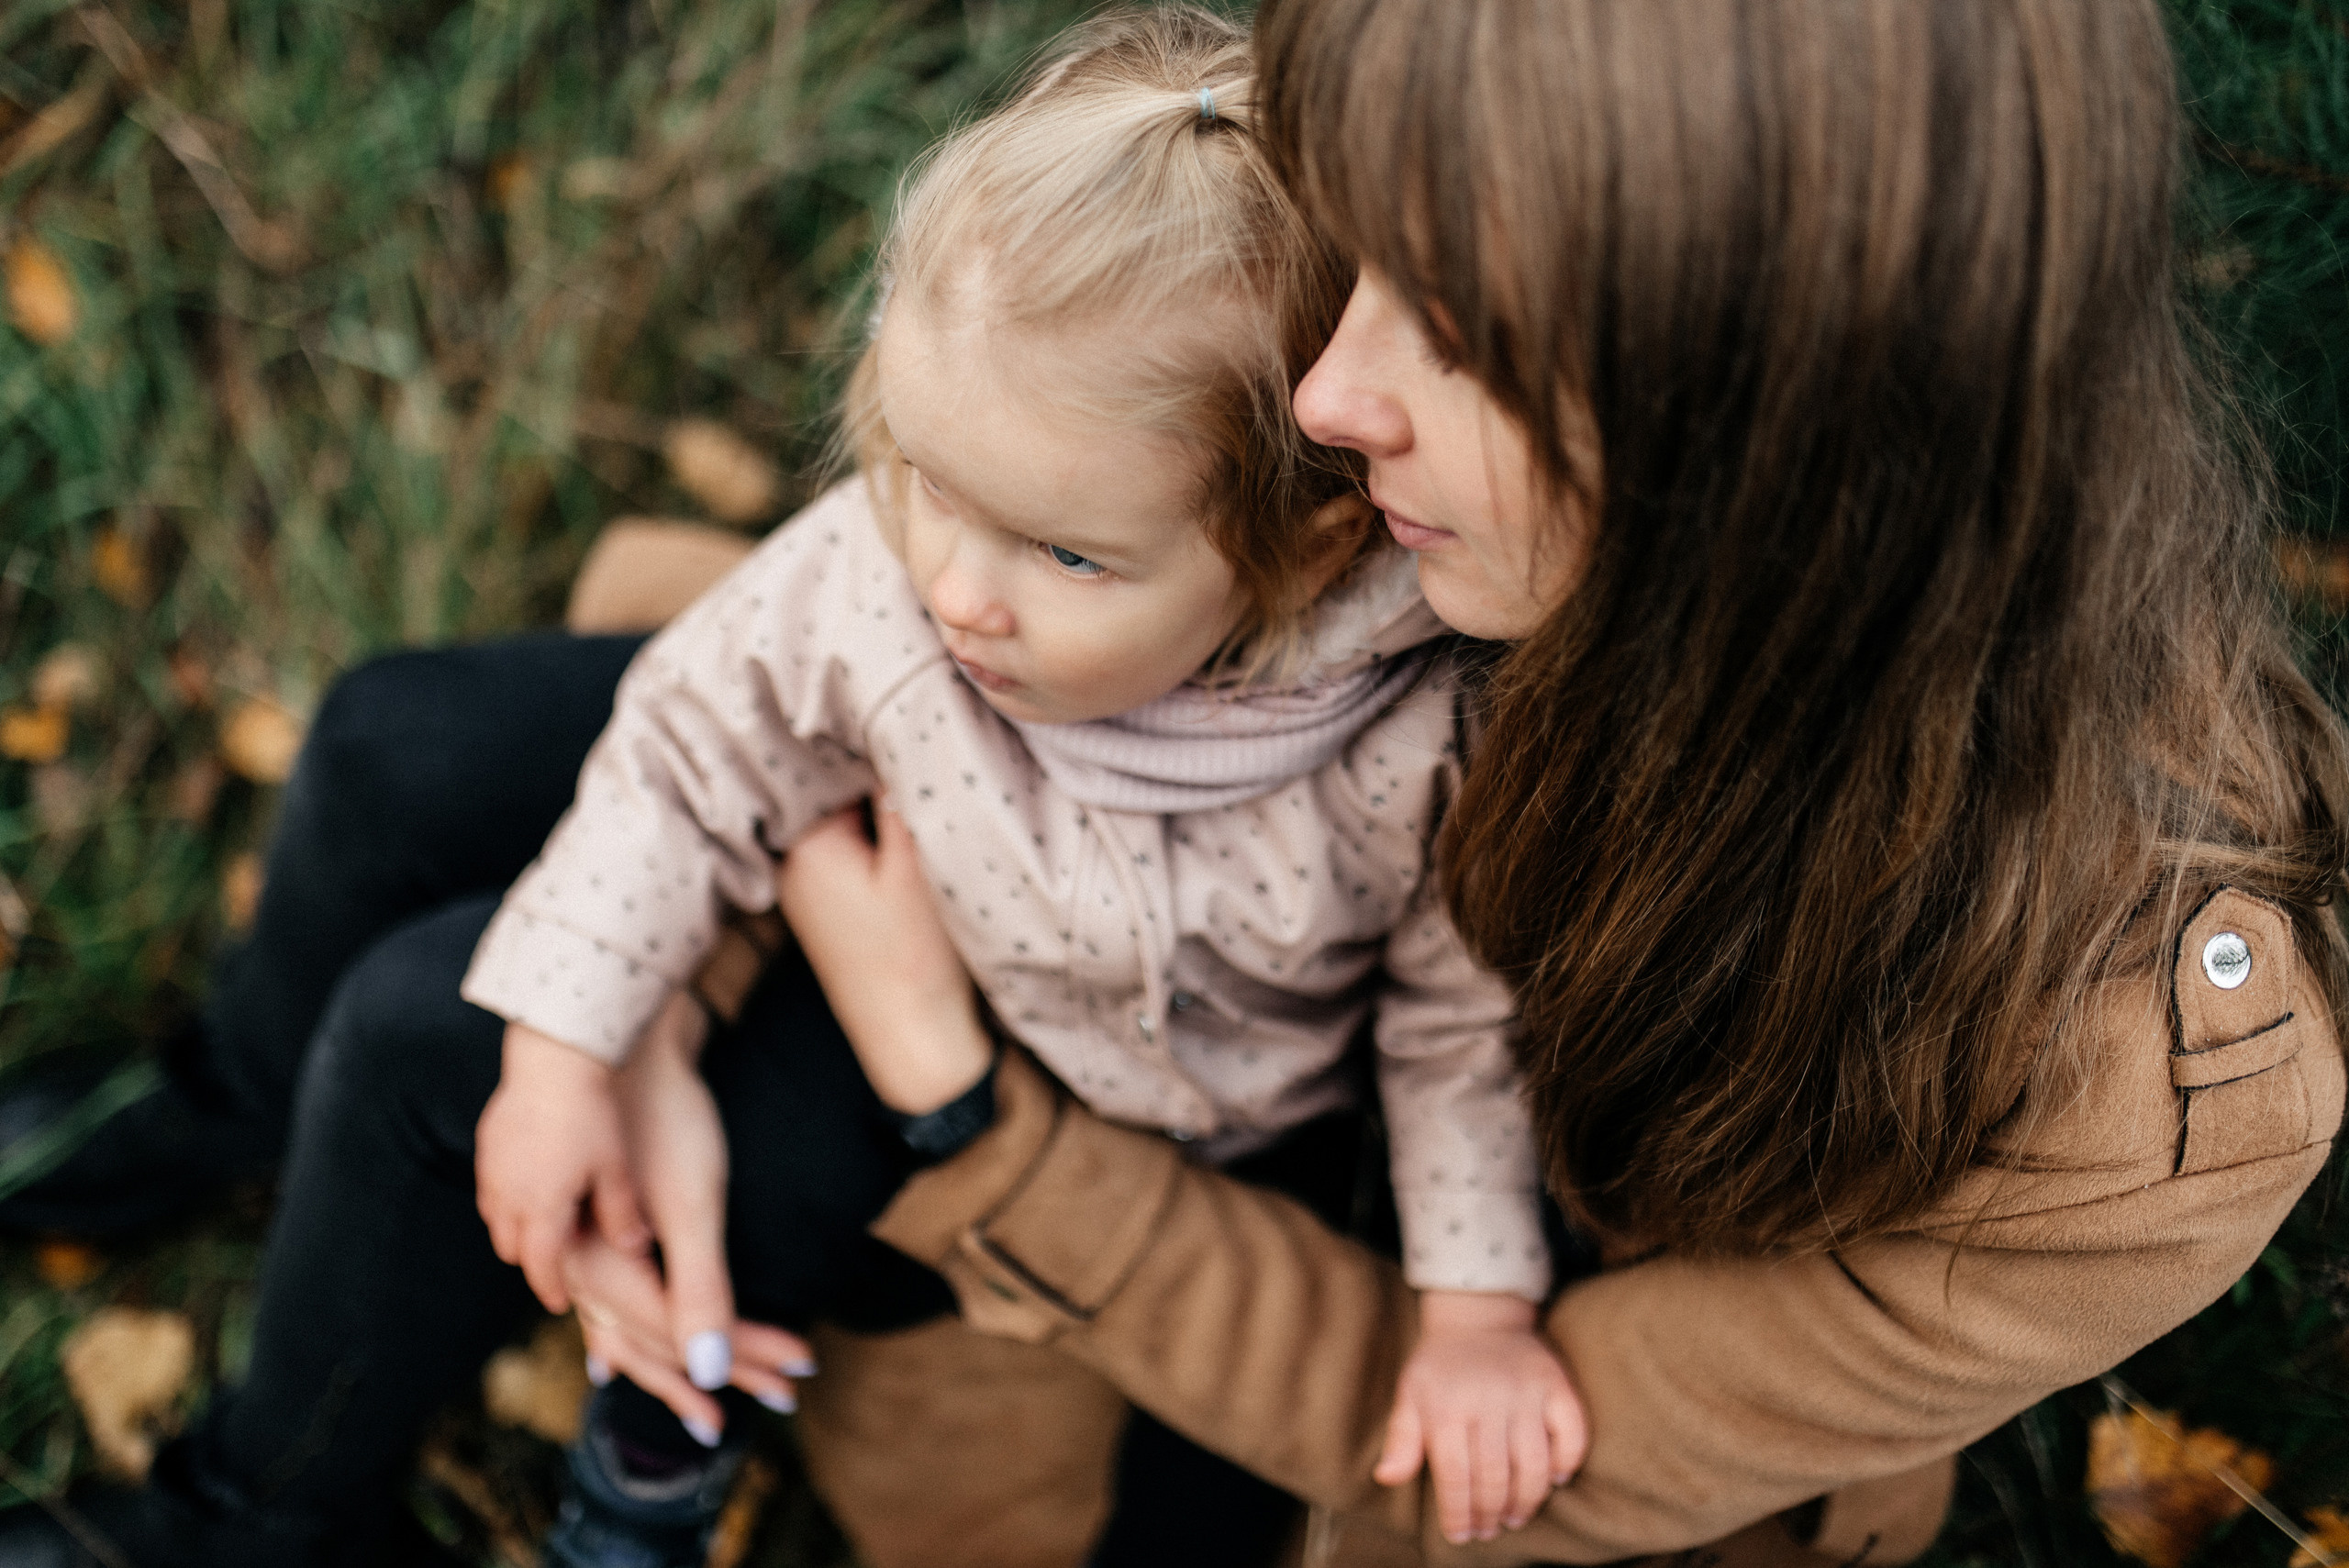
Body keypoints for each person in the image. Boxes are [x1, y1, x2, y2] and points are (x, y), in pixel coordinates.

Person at [565, 0, 2349, 1562]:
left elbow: (1511, 1466)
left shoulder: (2140, 1104)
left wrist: (960, 1114)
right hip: (1124, 1002)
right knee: (426, 813)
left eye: (1460, 332)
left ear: (1771, 418)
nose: (1324, 400)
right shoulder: (1449, 515)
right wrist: (640, 999)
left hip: (1324, 1363)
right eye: (1360, 272)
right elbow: (911, 635)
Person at [466, 1, 1577, 1532]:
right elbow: (679, 756)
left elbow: (1457, 1022)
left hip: (1265, 1133)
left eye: (1065, 551)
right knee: (761, 1162)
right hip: (968, 1004)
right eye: (929, 480)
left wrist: (1477, 1311)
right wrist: (558, 1047)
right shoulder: (873, 587)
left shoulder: (1406, 732)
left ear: (1303, 539)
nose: (958, 591)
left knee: (1221, 1489)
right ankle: (652, 1455)